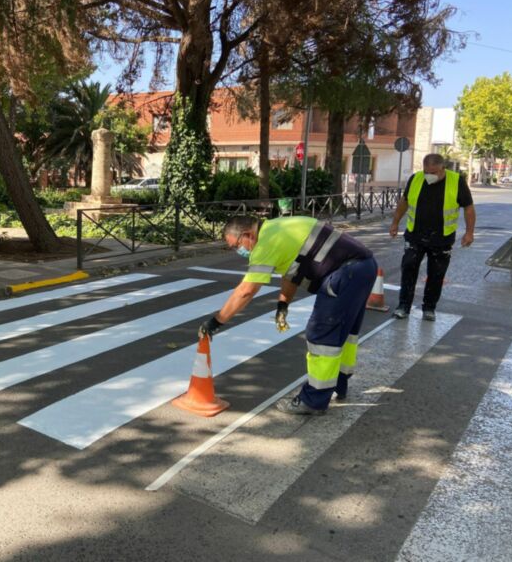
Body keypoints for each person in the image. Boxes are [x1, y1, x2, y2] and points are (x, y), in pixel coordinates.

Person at [199, 215, 378, 415]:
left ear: (248, 235)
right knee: (343, 332)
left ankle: (313, 401)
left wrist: (217, 321)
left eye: (237, 245)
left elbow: (246, 290)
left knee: (321, 336)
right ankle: (338, 384)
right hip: (364, 267)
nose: (239, 251)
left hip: (345, 274)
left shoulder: (265, 244)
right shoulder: (278, 228)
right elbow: (292, 271)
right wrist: (283, 304)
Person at [389, 153, 475, 321]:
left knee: (436, 274)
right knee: (408, 268)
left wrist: (469, 232)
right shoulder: (416, 178)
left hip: (442, 237)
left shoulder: (456, 181)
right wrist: (395, 223)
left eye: (434, 172)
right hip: (415, 234)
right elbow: (404, 202)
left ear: (443, 168)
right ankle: (403, 306)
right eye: (427, 171)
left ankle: (429, 308)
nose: (430, 175)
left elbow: (469, 208)